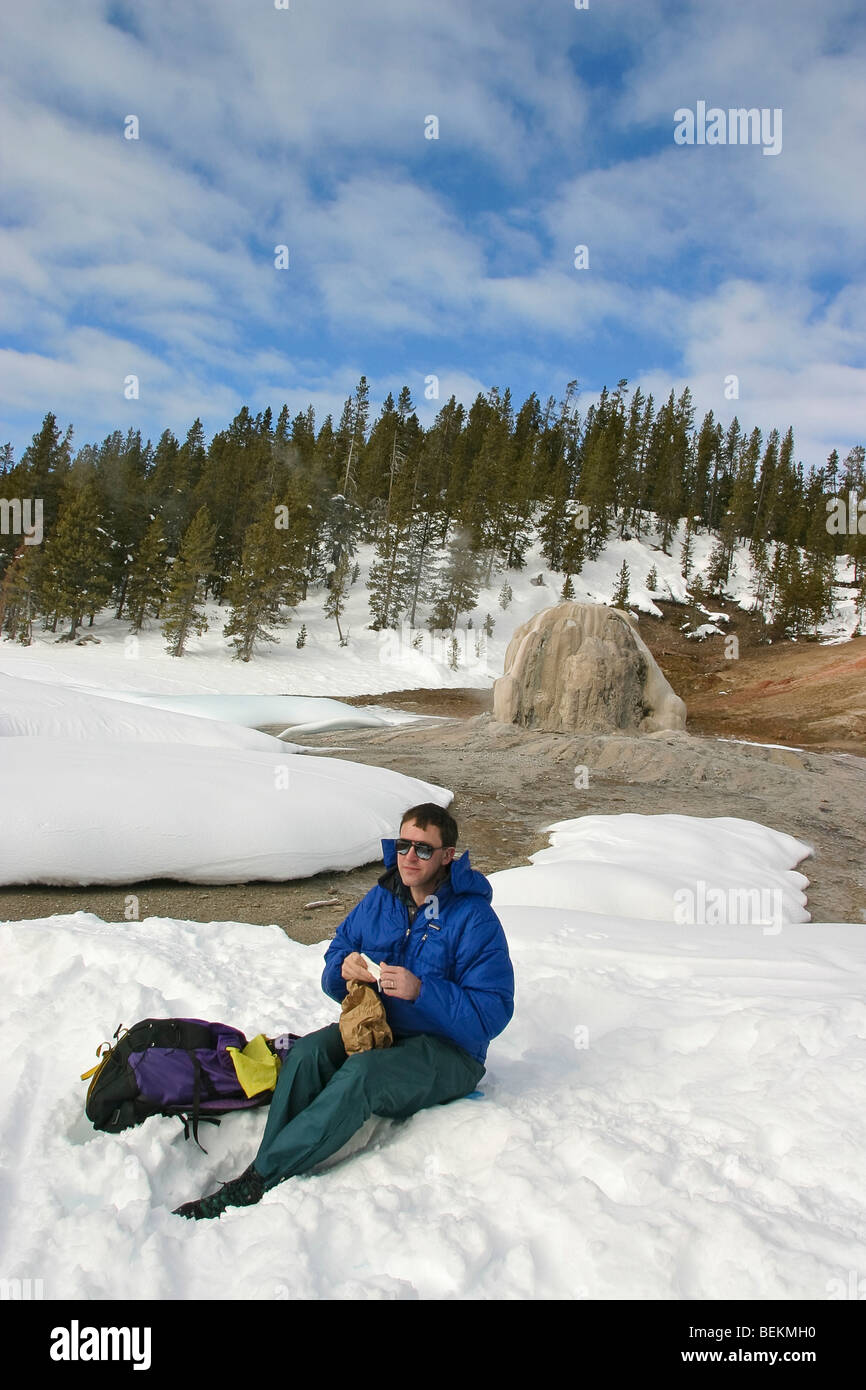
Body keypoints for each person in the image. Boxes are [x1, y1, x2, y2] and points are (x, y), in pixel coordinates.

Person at [174, 802, 514, 1219]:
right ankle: (267, 1164)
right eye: (404, 845)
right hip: (381, 1028)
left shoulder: (474, 917)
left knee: (362, 1075)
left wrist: (422, 990)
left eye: (423, 849)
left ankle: (257, 1181)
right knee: (306, 1054)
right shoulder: (381, 899)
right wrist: (343, 968)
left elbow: (491, 1014)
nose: (409, 856)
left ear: (448, 856)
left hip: (450, 1053)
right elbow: (335, 961)